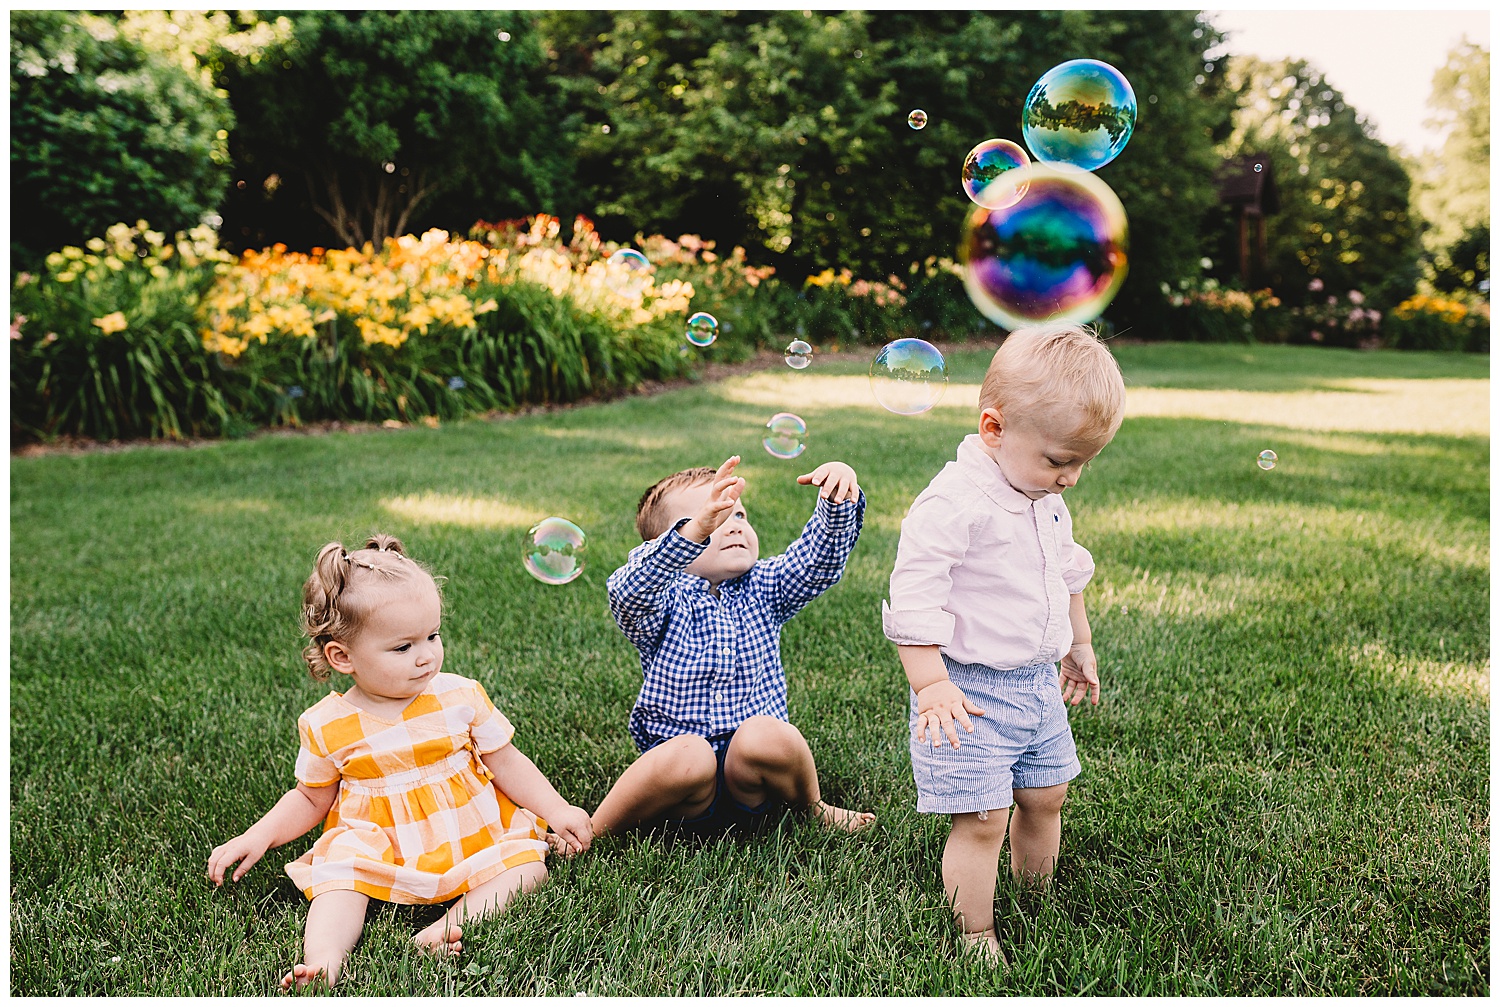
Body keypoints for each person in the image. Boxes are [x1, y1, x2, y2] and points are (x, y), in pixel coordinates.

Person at [206, 534, 593, 990]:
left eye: (432, 635)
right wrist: (260, 835)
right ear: (342, 656)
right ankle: (324, 960)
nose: (426, 654)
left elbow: (507, 762)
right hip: (377, 837)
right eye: (403, 647)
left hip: (467, 828)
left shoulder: (459, 695)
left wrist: (557, 809)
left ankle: (446, 927)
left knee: (528, 867)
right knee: (338, 881)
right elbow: (310, 798)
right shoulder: (327, 722)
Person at [882, 323, 1126, 966]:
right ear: (994, 429)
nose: (1071, 478)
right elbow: (913, 598)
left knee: (1047, 795)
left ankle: (1036, 896)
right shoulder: (954, 502)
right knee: (984, 818)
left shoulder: (1041, 495)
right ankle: (974, 933)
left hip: (1037, 685)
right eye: (1059, 460)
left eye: (1083, 462)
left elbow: (1066, 571)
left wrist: (1079, 643)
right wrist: (931, 683)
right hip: (967, 691)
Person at [593, 455, 876, 839]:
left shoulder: (765, 587)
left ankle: (812, 807)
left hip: (755, 783)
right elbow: (628, 591)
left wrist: (837, 500)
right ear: (672, 543)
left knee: (766, 733)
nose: (732, 527)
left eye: (738, 515)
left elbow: (817, 563)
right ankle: (592, 831)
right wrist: (694, 533)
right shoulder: (661, 603)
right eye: (713, 519)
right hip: (684, 790)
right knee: (689, 753)